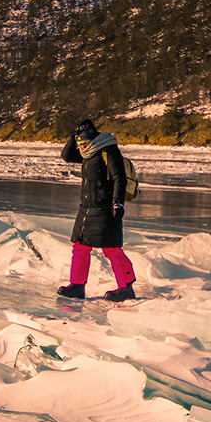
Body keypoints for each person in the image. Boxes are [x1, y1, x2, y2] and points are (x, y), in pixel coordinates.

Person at [58, 119, 137, 302]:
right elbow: (67, 156)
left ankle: (126, 288)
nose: (82, 145)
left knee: (112, 250)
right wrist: (74, 135)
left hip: (105, 209)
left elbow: (120, 178)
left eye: (84, 141)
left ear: (93, 138)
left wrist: (118, 203)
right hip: (87, 208)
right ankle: (77, 286)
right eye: (80, 143)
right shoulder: (86, 154)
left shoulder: (108, 150)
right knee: (80, 247)